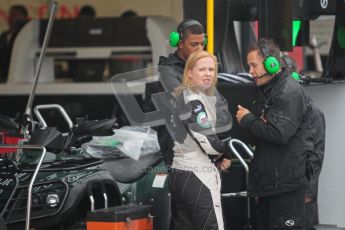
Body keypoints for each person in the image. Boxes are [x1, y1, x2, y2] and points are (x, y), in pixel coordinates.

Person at [236, 38, 315, 230]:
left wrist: (248, 120)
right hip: (273, 184)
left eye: (253, 65)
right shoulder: (270, 90)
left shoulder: (287, 91)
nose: (250, 72)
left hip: (285, 186)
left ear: (271, 63)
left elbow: (279, 133)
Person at [169, 50, 232, 230]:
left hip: (181, 173)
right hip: (197, 175)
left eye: (211, 69)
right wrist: (223, 152)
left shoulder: (188, 96)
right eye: (202, 69)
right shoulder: (193, 100)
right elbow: (209, 142)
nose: (208, 74)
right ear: (189, 72)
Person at [143, 18, 207, 166]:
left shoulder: (200, 69)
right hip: (180, 155)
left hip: (200, 150)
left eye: (202, 44)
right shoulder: (168, 73)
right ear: (179, 43)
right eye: (194, 44)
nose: (199, 49)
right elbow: (188, 111)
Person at [281, 55, 326, 230]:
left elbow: (317, 155)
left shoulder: (312, 112)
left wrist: (309, 192)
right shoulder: (278, 108)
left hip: (301, 193)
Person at [0, 4, 28, 82]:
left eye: (14, 14)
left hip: (20, 78)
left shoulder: (25, 35)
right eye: (10, 14)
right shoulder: (4, 35)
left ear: (24, 17)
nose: (11, 17)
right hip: (4, 76)